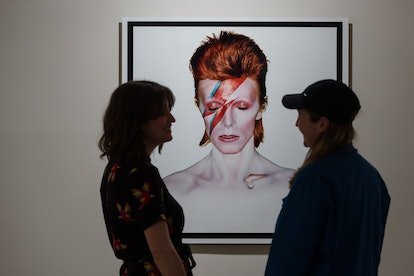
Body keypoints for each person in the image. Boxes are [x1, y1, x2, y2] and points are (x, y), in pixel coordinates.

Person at [164, 31, 294, 235]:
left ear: (261, 107)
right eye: (214, 107)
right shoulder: (172, 190)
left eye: (241, 106)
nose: (228, 122)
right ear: (198, 106)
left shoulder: (293, 187)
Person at [265, 79, 390, 275]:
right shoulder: (372, 178)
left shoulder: (315, 179)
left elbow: (288, 261)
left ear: (322, 124)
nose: (297, 123)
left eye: (301, 115)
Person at [98, 81, 195, 276]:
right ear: (138, 120)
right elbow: (161, 251)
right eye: (163, 113)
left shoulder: (116, 169)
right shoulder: (142, 173)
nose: (172, 119)